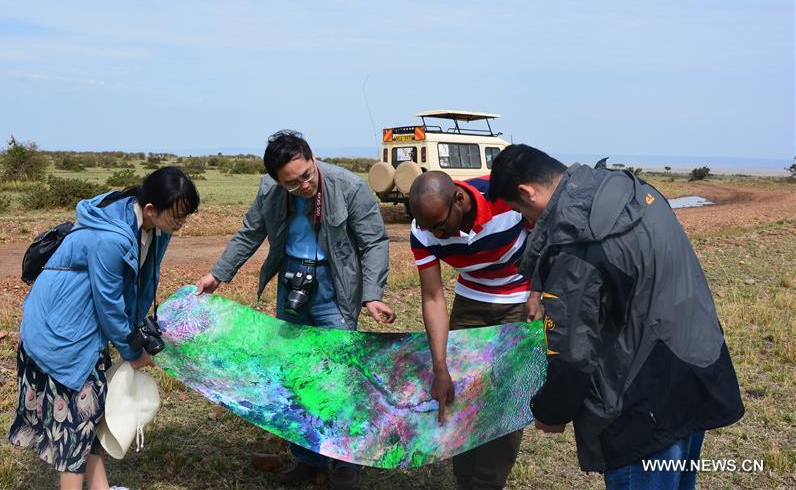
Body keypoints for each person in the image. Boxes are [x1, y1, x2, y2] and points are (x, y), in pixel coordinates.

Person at [487, 144, 744, 489]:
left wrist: (551, 411)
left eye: (522, 211)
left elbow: (573, 356)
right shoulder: (633, 194)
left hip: (640, 411)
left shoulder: (575, 240)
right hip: (693, 375)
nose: (529, 223)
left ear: (526, 192)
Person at [196, 130, 395, 490]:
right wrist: (217, 275)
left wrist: (372, 294)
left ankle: (344, 463)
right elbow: (249, 233)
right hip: (291, 284)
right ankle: (307, 459)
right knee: (294, 373)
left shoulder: (349, 187)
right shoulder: (269, 190)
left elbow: (373, 243)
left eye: (307, 175)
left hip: (335, 289)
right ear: (276, 180)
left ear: (312, 156)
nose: (304, 185)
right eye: (291, 183)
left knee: (337, 374)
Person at [9, 166, 200, 490]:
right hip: (62, 328)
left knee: (91, 416)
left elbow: (143, 282)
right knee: (77, 422)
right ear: (151, 209)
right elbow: (109, 304)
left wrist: (137, 331)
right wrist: (131, 350)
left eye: (186, 215)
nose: (181, 223)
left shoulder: (156, 228)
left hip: (83, 322)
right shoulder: (110, 238)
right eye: (177, 215)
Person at [407, 171, 536, 490]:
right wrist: (440, 367)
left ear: (460, 201)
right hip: (472, 297)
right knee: (460, 393)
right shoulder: (422, 231)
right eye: (428, 227)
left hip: (520, 295)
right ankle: (464, 480)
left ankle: (487, 483)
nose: (436, 234)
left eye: (440, 225)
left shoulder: (505, 197)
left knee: (506, 400)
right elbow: (434, 296)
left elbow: (547, 232)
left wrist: (540, 293)